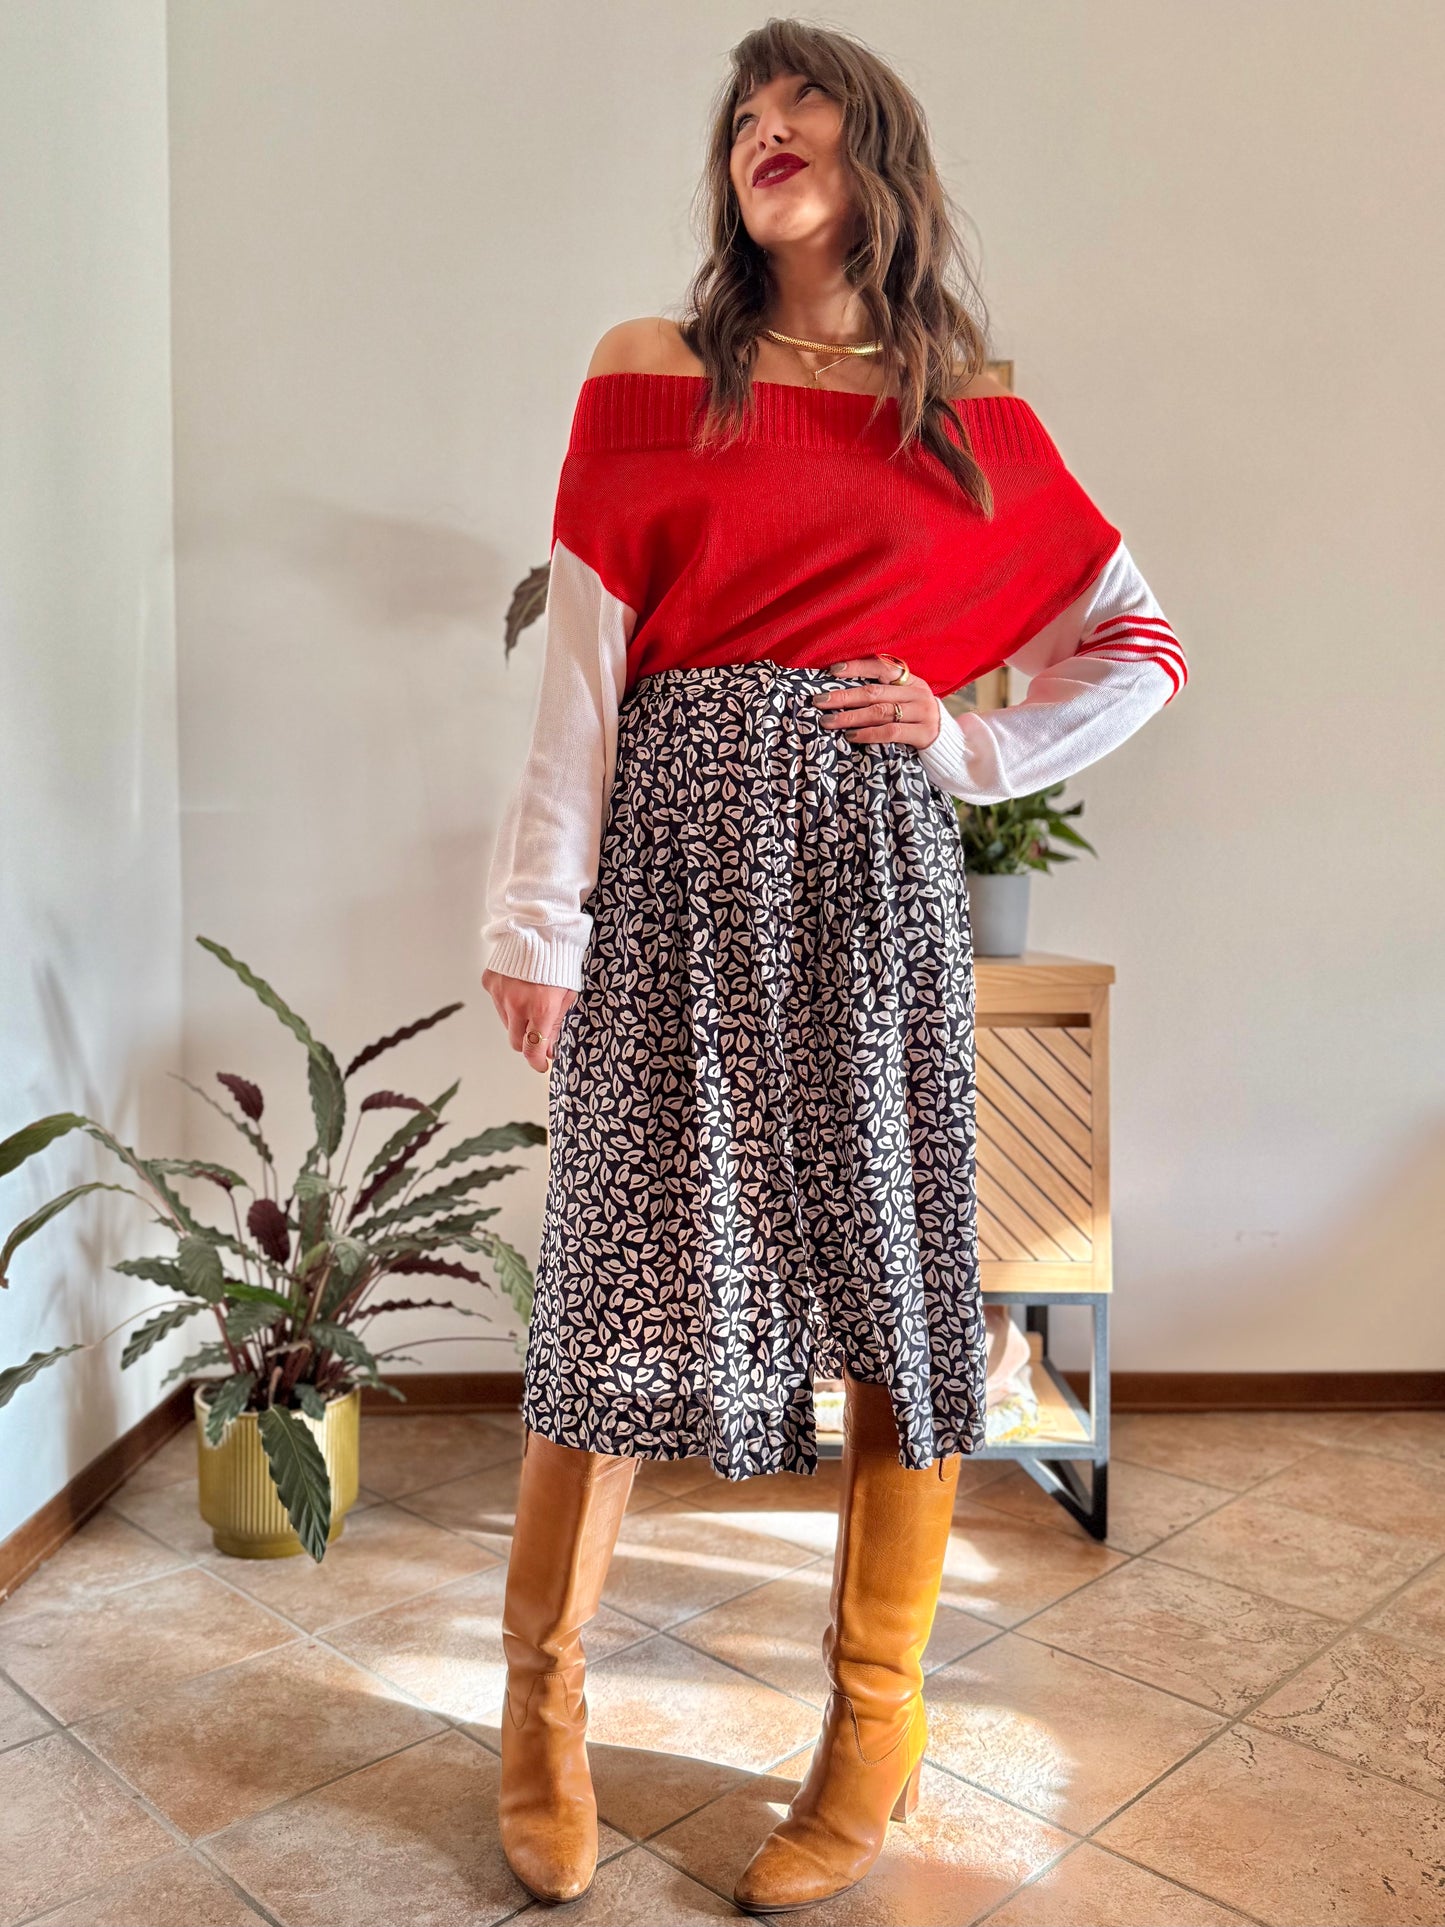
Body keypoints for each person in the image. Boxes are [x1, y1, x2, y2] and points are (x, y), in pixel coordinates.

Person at [480, 19, 1187, 1912]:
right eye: (745, 113)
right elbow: (584, 666)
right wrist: (537, 920)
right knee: (619, 1282)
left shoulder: (967, 413)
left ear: (880, 155)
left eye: (805, 105)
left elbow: (1137, 645)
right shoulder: (652, 371)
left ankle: (872, 1730)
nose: (765, 130)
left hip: (871, 881)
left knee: (895, 1286)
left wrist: (966, 739)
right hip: (672, 867)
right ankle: (538, 1710)